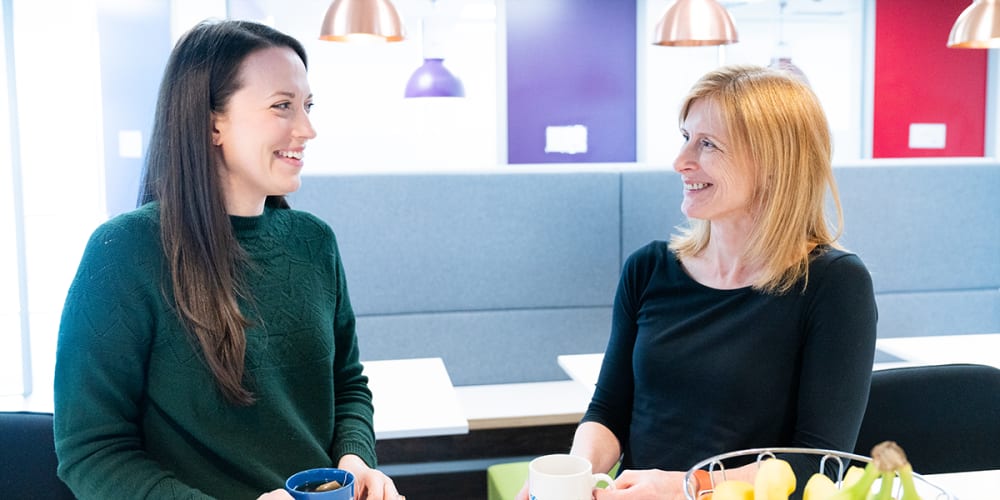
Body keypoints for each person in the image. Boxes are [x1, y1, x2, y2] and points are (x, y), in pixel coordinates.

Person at [53, 19, 403, 500]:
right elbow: (91, 453)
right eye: (282, 106)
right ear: (211, 122)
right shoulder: (125, 252)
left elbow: (348, 385)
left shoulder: (314, 242)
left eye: (307, 105)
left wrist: (355, 460)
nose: (307, 129)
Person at [520, 65, 878, 500]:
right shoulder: (649, 269)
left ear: (773, 163)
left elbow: (820, 463)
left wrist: (680, 487)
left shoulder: (832, 284)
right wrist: (574, 476)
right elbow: (610, 411)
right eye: (685, 137)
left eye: (707, 144)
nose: (680, 162)